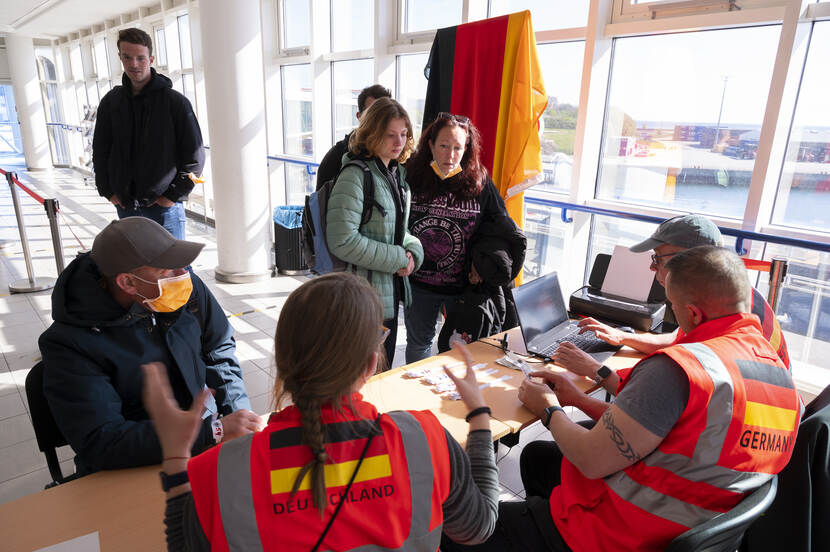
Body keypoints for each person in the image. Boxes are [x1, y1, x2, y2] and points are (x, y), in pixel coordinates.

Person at [443, 246, 801, 551]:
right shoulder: (778, 375)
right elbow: (669, 434)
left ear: (695, 313)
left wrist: (549, 410)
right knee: (539, 457)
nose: (673, 317)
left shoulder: (681, 368)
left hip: (615, 535)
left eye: (673, 307)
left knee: (461, 523)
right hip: (691, 521)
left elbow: (590, 461)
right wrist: (577, 400)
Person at [145, 272, 499, 550]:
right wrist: (478, 416)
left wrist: (176, 461)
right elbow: (477, 529)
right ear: (370, 365)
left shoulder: (217, 471)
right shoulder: (426, 439)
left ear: (282, 366)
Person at [39, 217, 260, 475]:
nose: (182, 276)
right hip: (132, 465)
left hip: (203, 442)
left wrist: (238, 412)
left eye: (181, 265)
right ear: (128, 283)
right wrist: (211, 431)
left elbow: (218, 349)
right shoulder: (69, 343)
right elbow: (102, 440)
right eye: (166, 272)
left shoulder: (187, 290)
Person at [551, 214, 791, 406]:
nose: (651, 267)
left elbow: (646, 403)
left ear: (689, 260)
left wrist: (593, 370)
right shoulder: (728, 293)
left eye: (658, 259)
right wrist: (624, 337)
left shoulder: (723, 315)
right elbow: (680, 341)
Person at [404, 112, 524, 363]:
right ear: (430, 145)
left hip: (462, 289)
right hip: (418, 285)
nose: (450, 155)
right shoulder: (411, 176)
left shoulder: (478, 179)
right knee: (418, 346)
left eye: (457, 148)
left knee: (457, 352)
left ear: (467, 147)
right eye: (444, 146)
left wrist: (482, 262)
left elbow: (500, 228)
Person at [326, 97, 424, 367]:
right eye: (390, 135)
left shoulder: (395, 175)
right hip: (361, 301)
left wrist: (414, 254)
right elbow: (342, 240)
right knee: (361, 376)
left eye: (404, 134)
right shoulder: (355, 176)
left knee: (380, 370)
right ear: (371, 134)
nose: (399, 142)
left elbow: (400, 232)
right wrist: (396, 258)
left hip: (386, 299)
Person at [92, 27, 205, 239]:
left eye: (140, 58)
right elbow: (101, 149)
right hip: (126, 205)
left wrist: (171, 196)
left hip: (165, 208)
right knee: (138, 268)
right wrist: (107, 190)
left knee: (174, 270)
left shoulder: (175, 103)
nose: (134, 64)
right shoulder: (111, 102)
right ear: (120, 57)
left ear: (151, 59)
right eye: (127, 57)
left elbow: (196, 158)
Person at [315, 84, 392, 189]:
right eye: (371, 114)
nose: (379, 120)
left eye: (384, 114)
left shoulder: (396, 156)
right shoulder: (336, 157)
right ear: (359, 117)